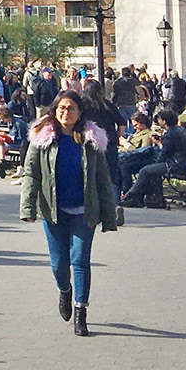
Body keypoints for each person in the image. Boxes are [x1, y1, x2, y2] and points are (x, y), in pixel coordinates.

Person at [19, 90, 121, 336]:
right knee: (58, 264)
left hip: (84, 211)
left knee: (80, 260)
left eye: (71, 109)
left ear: (80, 113)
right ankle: (65, 291)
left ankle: (80, 312)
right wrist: (27, 207)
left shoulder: (91, 140)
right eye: (62, 108)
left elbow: (103, 180)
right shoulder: (42, 138)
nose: (66, 113)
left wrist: (109, 215)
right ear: (55, 111)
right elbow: (31, 173)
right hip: (53, 210)